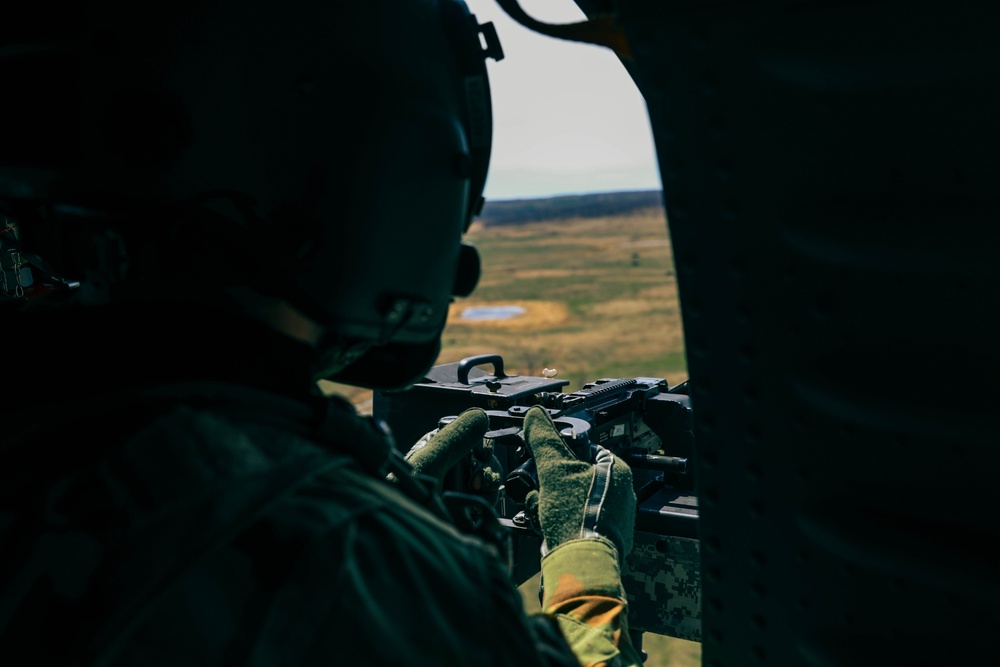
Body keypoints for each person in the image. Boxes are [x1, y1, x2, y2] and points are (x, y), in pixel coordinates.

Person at [0, 1, 643, 665]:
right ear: (395, 178)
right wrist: (583, 556)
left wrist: (378, 502)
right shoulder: (331, 554)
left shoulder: (52, 434)